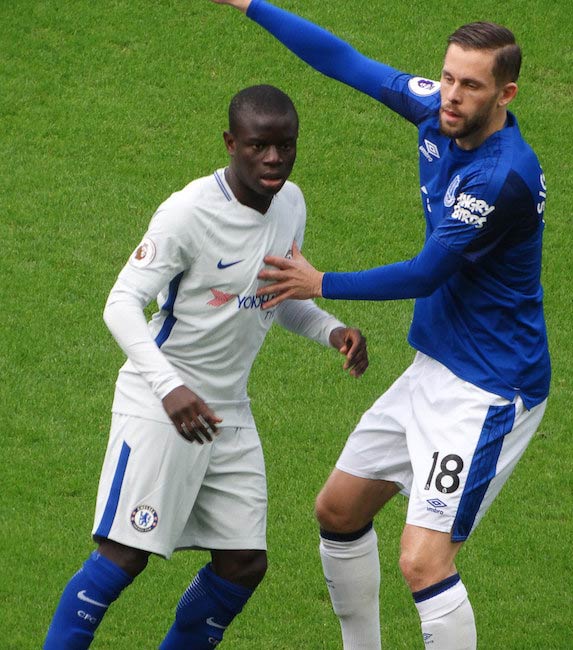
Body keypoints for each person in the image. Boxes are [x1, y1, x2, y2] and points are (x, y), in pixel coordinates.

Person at [212, 3, 551, 649]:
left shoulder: (501, 176)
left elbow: (427, 273)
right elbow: (345, 62)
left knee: (424, 561)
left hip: (487, 389)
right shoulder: (439, 110)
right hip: (436, 366)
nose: (451, 95)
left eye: (470, 85)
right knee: (337, 510)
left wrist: (322, 285)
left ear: (505, 94)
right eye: (447, 77)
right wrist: (253, 4)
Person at [43, 84, 368, 649]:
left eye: (285, 147)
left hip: (228, 411)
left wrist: (331, 330)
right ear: (230, 143)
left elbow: (280, 295)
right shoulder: (188, 213)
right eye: (258, 146)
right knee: (124, 556)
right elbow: (120, 304)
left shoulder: (291, 203)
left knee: (244, 563)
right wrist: (170, 388)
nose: (273, 159)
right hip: (161, 402)